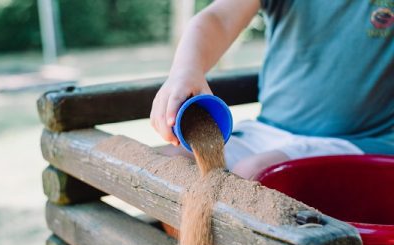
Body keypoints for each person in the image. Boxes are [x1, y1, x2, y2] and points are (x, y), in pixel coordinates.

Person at [150, 0, 394, 180]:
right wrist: (186, 69)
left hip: (360, 140)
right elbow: (220, 18)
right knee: (175, 164)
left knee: (256, 174)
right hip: (268, 131)